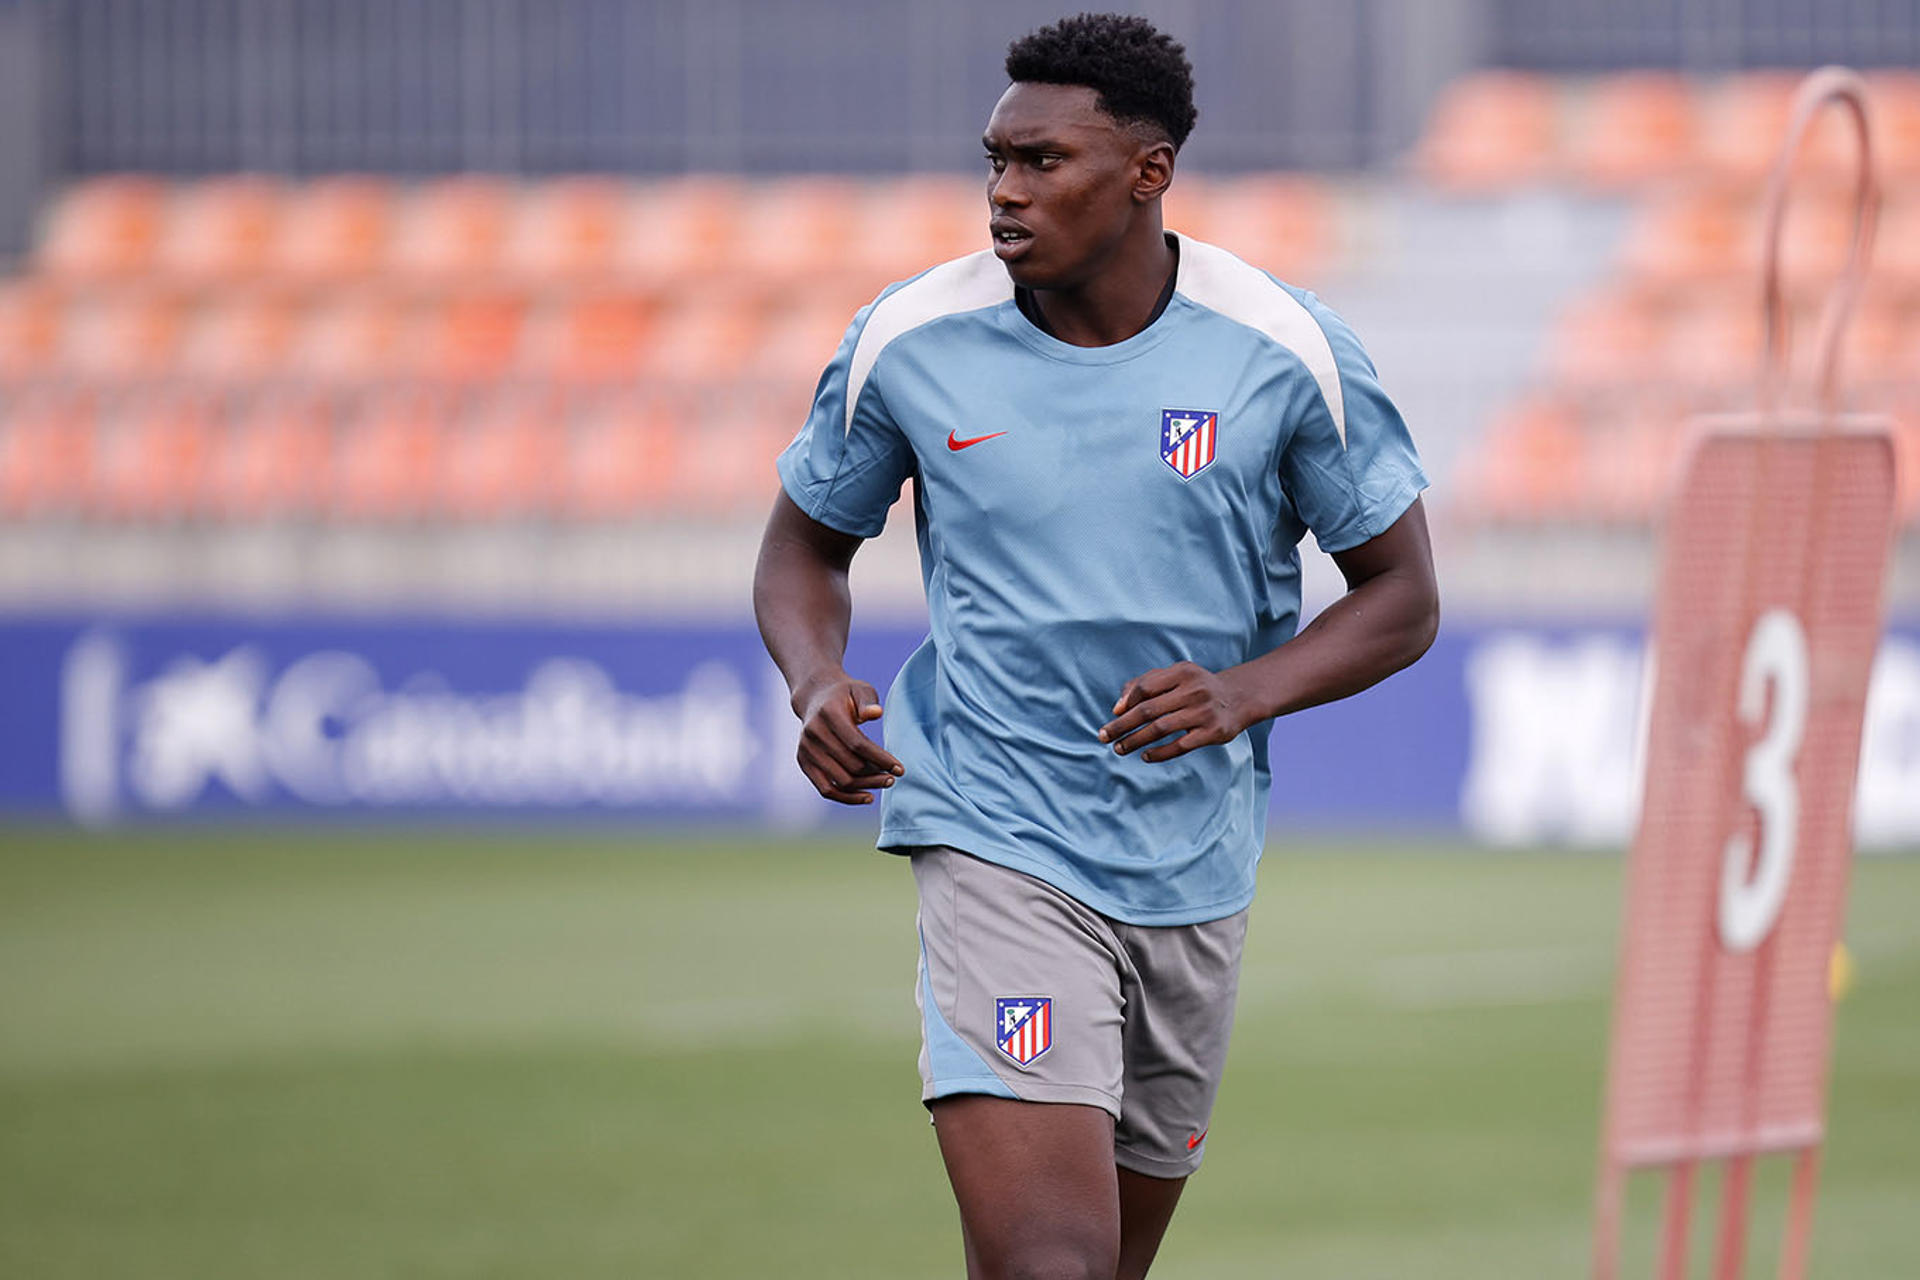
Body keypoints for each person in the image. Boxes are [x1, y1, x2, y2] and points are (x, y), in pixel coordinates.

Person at [752, 13, 1438, 1279]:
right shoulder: (909, 341)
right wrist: (812, 682)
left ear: (1147, 171)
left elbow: (1402, 594)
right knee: (1051, 1262)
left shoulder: (1285, 351)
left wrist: (1245, 690)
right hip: (993, 830)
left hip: (1193, 865)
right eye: (995, 161)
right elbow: (804, 548)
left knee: (1100, 1263)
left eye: (1043, 162)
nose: (1006, 194)